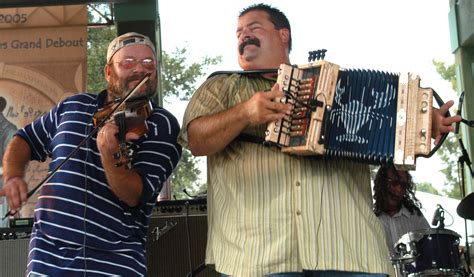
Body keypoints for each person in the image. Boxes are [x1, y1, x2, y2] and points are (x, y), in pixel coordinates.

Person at [178, 3, 461, 277]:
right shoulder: (221, 85)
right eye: (238, 32)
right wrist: (245, 113)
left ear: (283, 35)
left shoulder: (337, 85)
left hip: (349, 248)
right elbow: (196, 141)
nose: (243, 35)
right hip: (257, 254)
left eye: (253, 27)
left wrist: (423, 123)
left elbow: (390, 129)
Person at [0, 32, 182, 276]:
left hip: (115, 262)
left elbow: (133, 195)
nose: (140, 69)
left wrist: (110, 154)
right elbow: (24, 139)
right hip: (49, 258)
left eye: (148, 63)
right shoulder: (73, 106)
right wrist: (13, 176)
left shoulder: (161, 124)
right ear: (108, 72)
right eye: (128, 62)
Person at [373, 164, 430, 256]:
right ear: (382, 183)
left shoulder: (415, 217)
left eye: (403, 185)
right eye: (395, 182)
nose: (398, 190)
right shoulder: (371, 217)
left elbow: (431, 248)